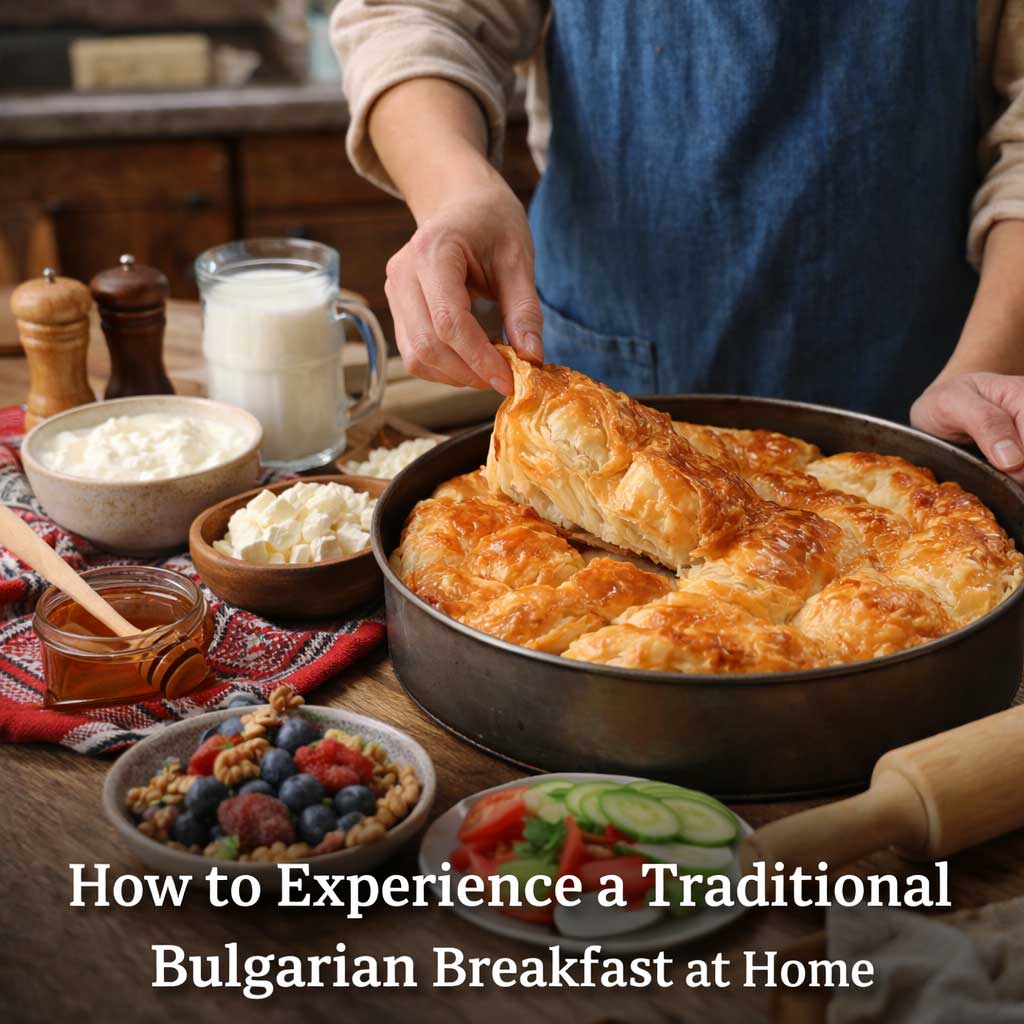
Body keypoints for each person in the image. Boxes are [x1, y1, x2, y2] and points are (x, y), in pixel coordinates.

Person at [333, 1, 1024, 481]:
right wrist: (457, 193)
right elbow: (416, 14)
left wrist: (983, 370)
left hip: (919, 399)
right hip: (605, 399)